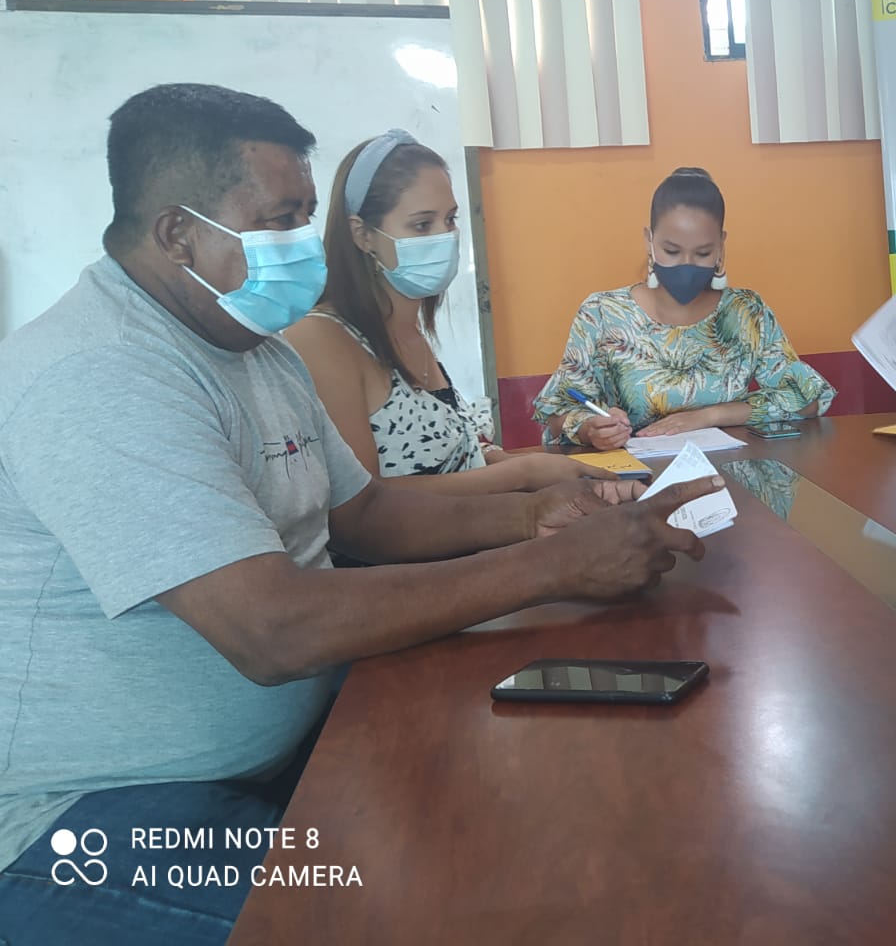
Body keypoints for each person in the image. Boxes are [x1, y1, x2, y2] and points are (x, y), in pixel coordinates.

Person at [0, 84, 721, 944]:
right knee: (394, 918)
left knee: (519, 834)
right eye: (278, 220)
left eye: (306, 216)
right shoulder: (99, 373)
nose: (303, 245)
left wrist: (537, 517)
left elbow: (364, 512)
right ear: (177, 234)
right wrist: (556, 566)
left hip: (280, 748)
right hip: (90, 813)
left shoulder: (255, 352)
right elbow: (271, 630)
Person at [284, 131, 603, 494]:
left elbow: (458, 454)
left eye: (450, 219)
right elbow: (364, 506)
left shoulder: (410, 332)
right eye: (422, 224)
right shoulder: (322, 339)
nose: (445, 236)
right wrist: (524, 472)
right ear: (363, 235)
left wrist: (543, 467)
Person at [535, 167, 835, 449]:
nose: (686, 265)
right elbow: (557, 414)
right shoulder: (603, 313)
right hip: (637, 479)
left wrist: (709, 416)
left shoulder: (745, 312)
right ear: (649, 241)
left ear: (721, 245)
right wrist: (591, 429)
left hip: (730, 471)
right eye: (672, 251)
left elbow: (807, 400)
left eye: (703, 253)